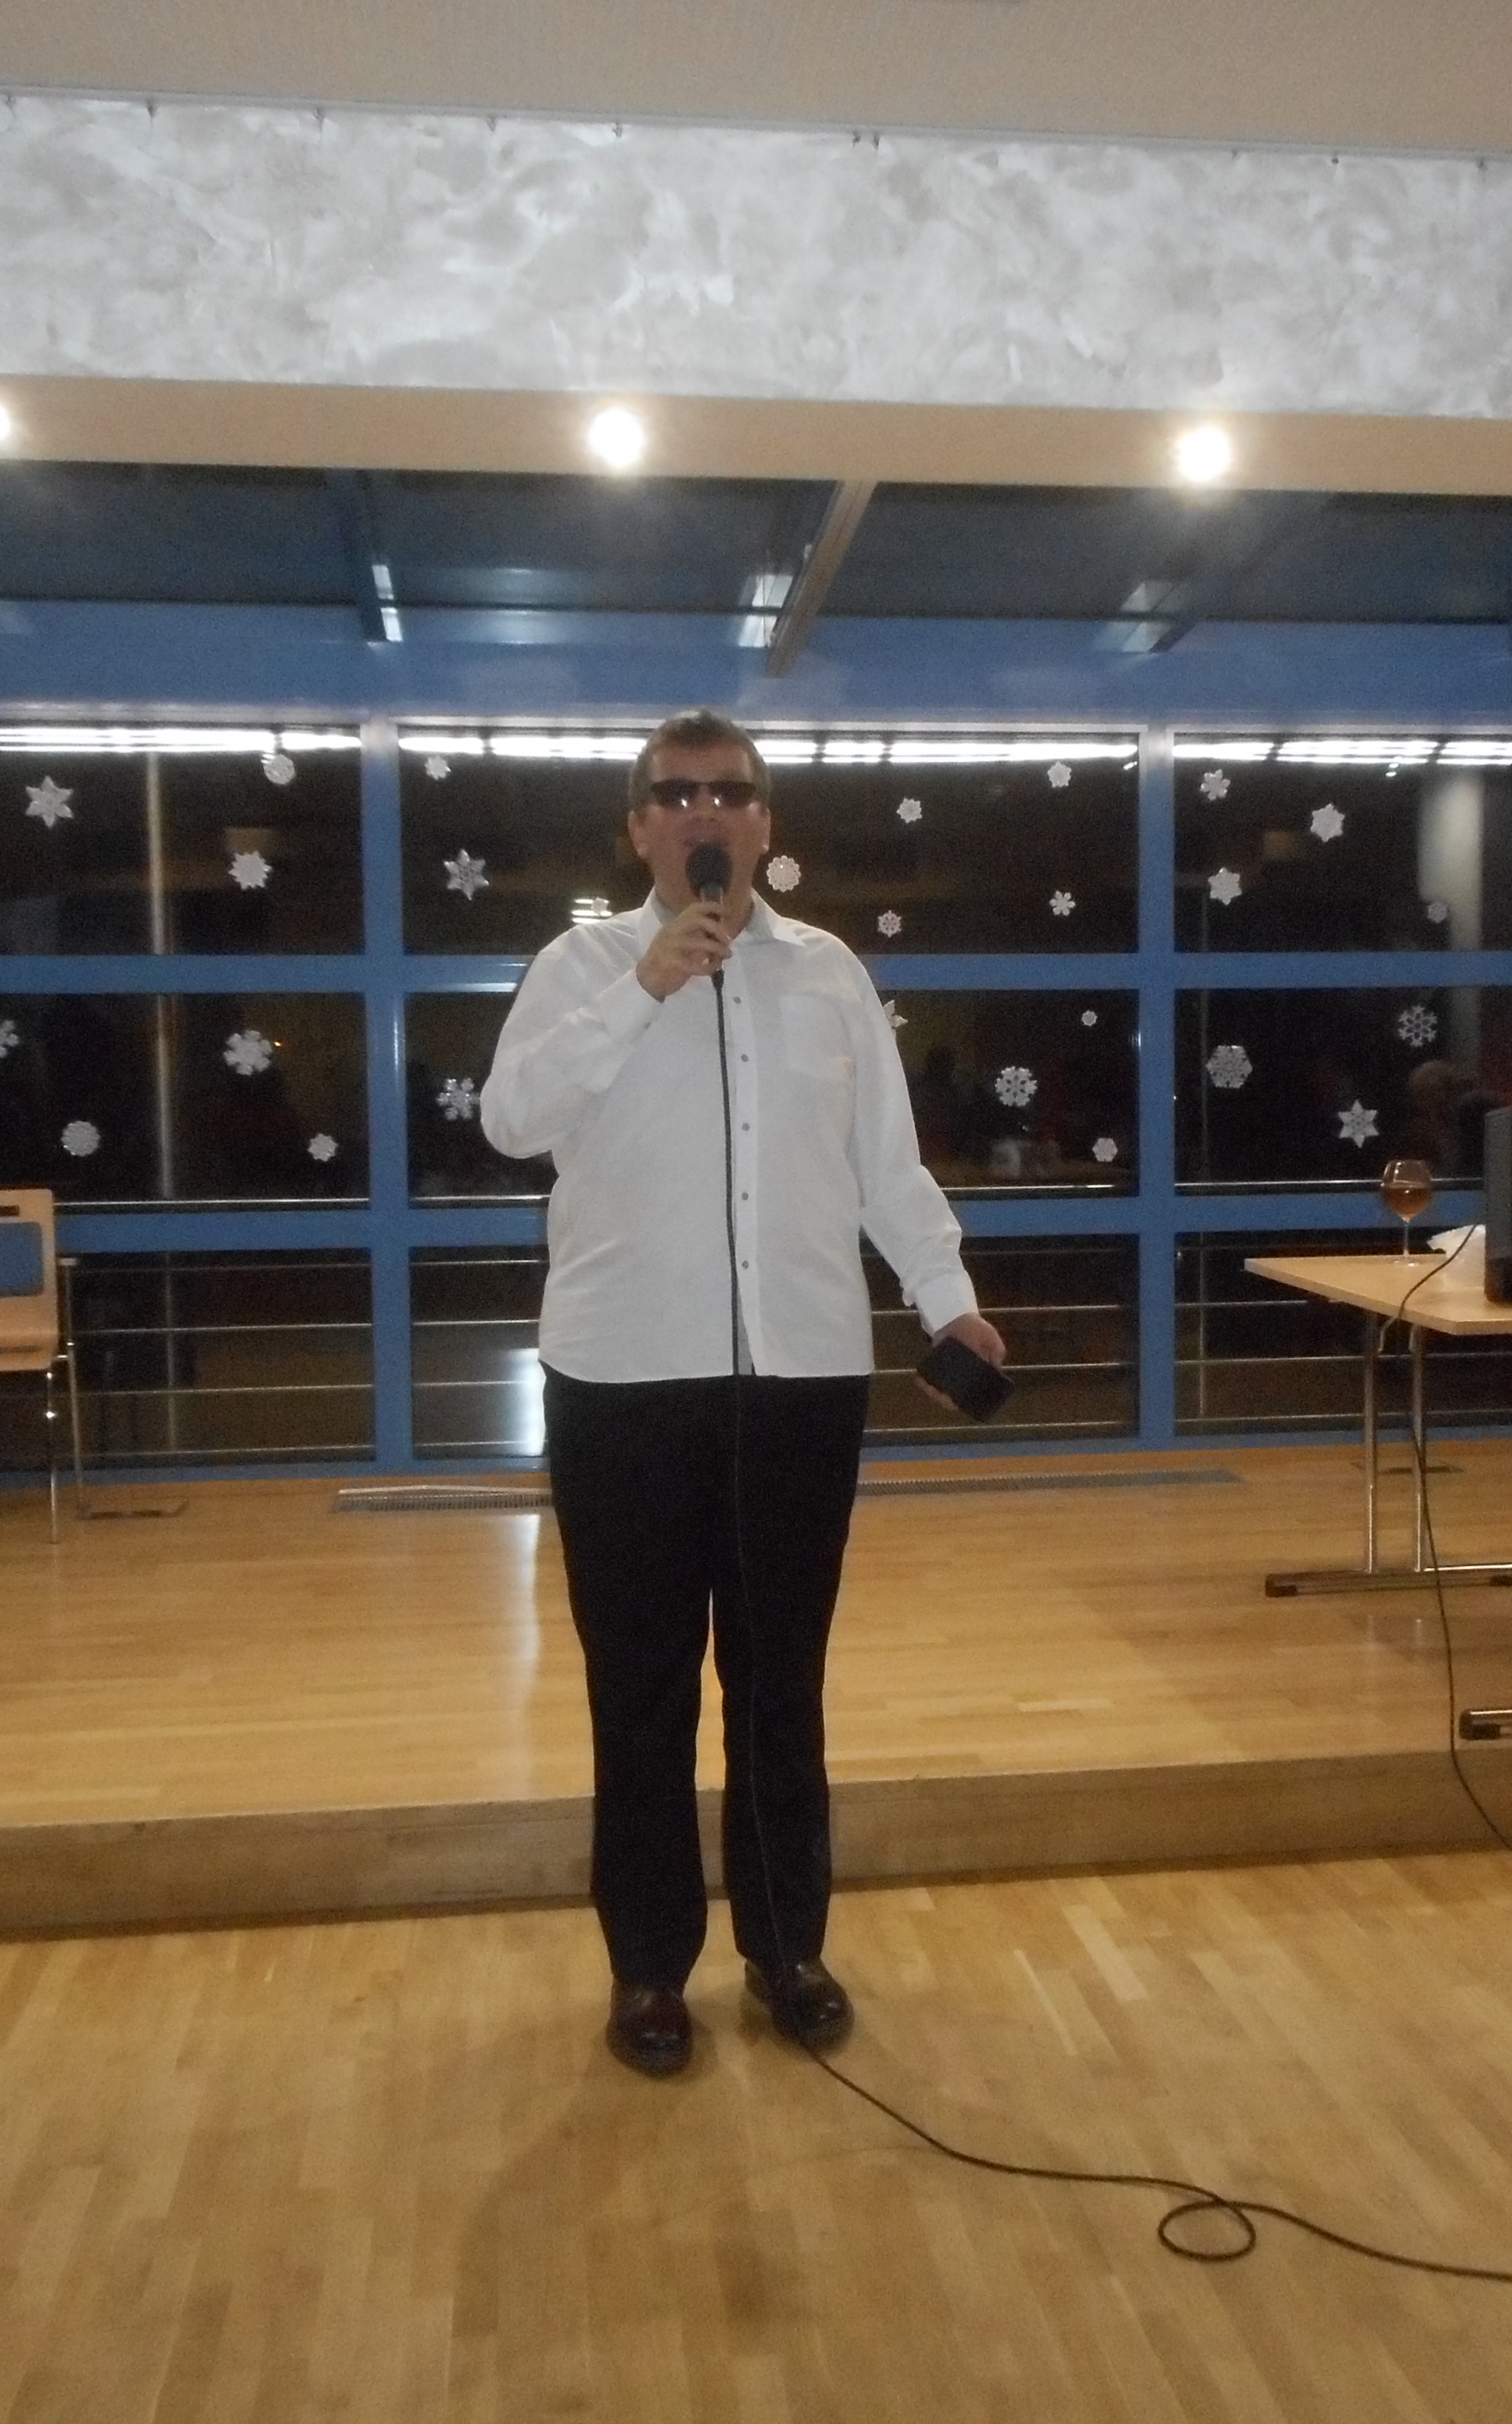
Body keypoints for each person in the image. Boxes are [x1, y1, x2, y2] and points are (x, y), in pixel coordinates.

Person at [481, 709, 1007, 2078]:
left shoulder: (828, 974)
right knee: (640, 1692)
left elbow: (888, 1164)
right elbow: (510, 1119)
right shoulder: (579, 967)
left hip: (800, 1381)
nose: (703, 812)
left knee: (781, 1685)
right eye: (676, 794)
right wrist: (644, 985)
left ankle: (787, 1950)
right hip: (621, 1383)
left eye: (730, 792)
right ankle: (651, 1970)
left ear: (766, 823)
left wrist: (946, 1298)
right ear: (638, 827)